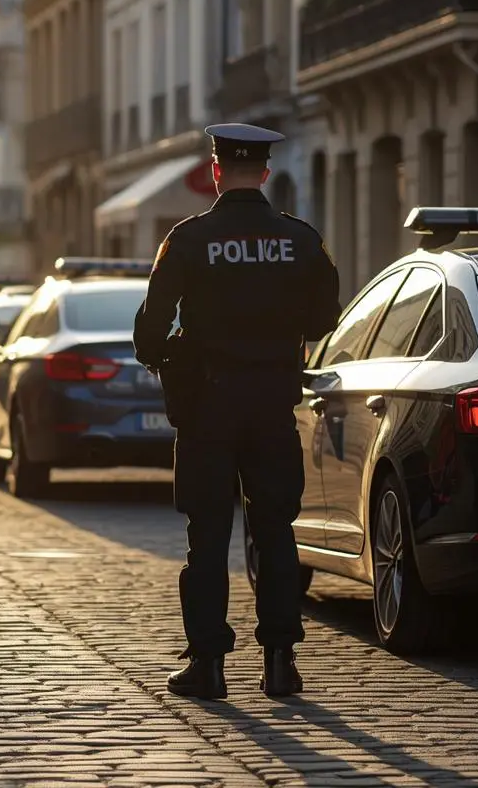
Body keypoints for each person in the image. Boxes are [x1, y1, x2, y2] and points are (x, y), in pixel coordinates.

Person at [133, 124, 342, 700]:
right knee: (275, 530)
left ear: (217, 171)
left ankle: (208, 665)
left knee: (206, 535)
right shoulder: (300, 239)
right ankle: (280, 662)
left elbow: (152, 322)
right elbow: (327, 314)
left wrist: (161, 357)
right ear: (266, 173)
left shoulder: (189, 237)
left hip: (207, 406)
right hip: (273, 403)